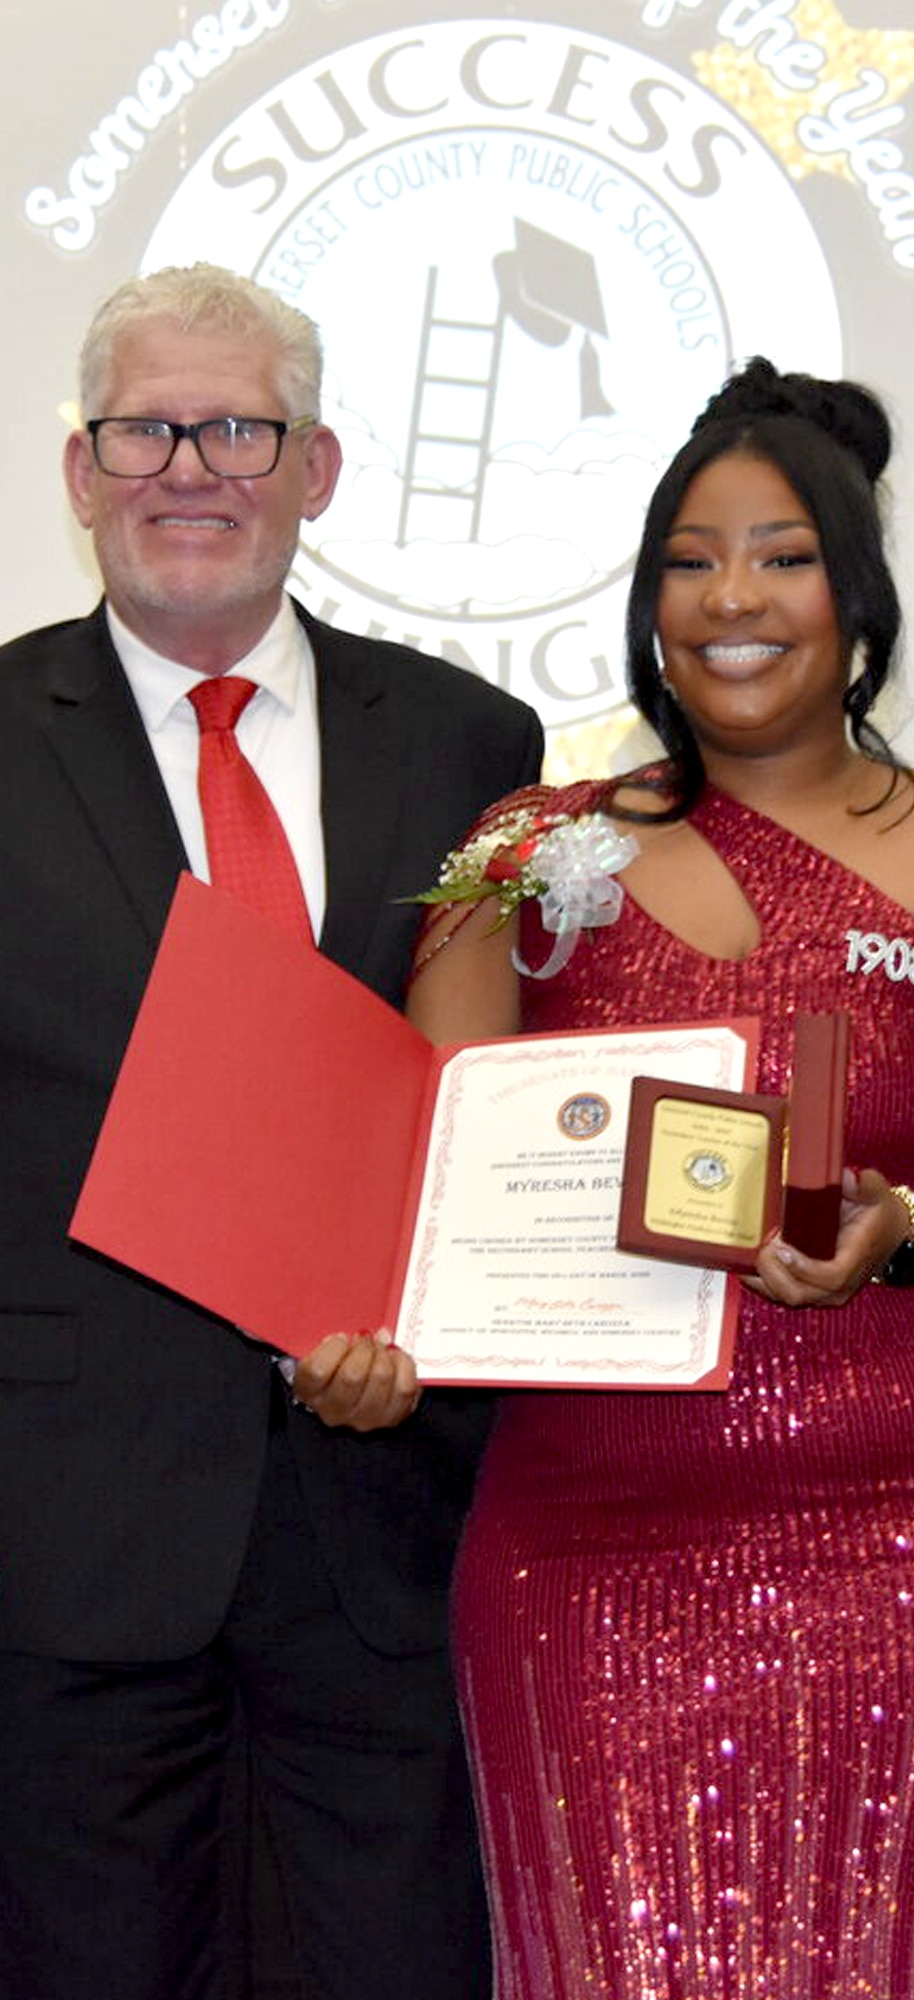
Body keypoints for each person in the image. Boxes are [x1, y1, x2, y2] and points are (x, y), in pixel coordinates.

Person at [400, 360, 914, 1997]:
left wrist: (907, 1230)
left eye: (785, 556)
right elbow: (421, 1163)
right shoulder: (509, 844)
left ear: (859, 600)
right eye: (690, 560)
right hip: (583, 1543)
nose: (732, 597)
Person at [0, 264, 542, 1999]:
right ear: (80, 471)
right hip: (68, 1526)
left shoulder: (472, 740)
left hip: (383, 1510)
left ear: (316, 469)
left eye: (239, 428)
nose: (189, 469)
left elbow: (486, 1103)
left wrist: (438, 1326)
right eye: (145, 430)